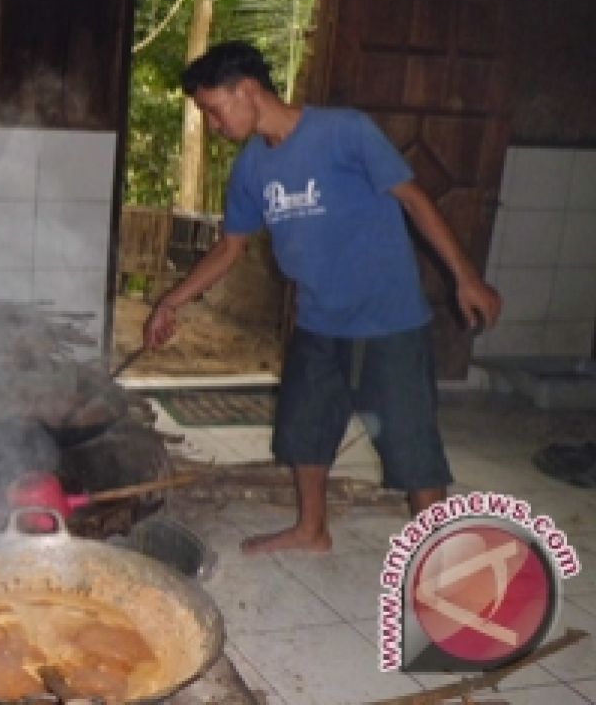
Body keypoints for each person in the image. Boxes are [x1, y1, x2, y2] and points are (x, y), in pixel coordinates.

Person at [144, 41, 502, 554]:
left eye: (214, 110)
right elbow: (230, 249)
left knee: (410, 441)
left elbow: (415, 199)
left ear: (246, 90)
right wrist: (171, 302)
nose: (215, 125)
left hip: (388, 321)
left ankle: (436, 556)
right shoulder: (250, 169)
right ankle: (311, 529)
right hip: (318, 321)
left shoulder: (344, 131)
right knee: (305, 428)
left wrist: (465, 276)